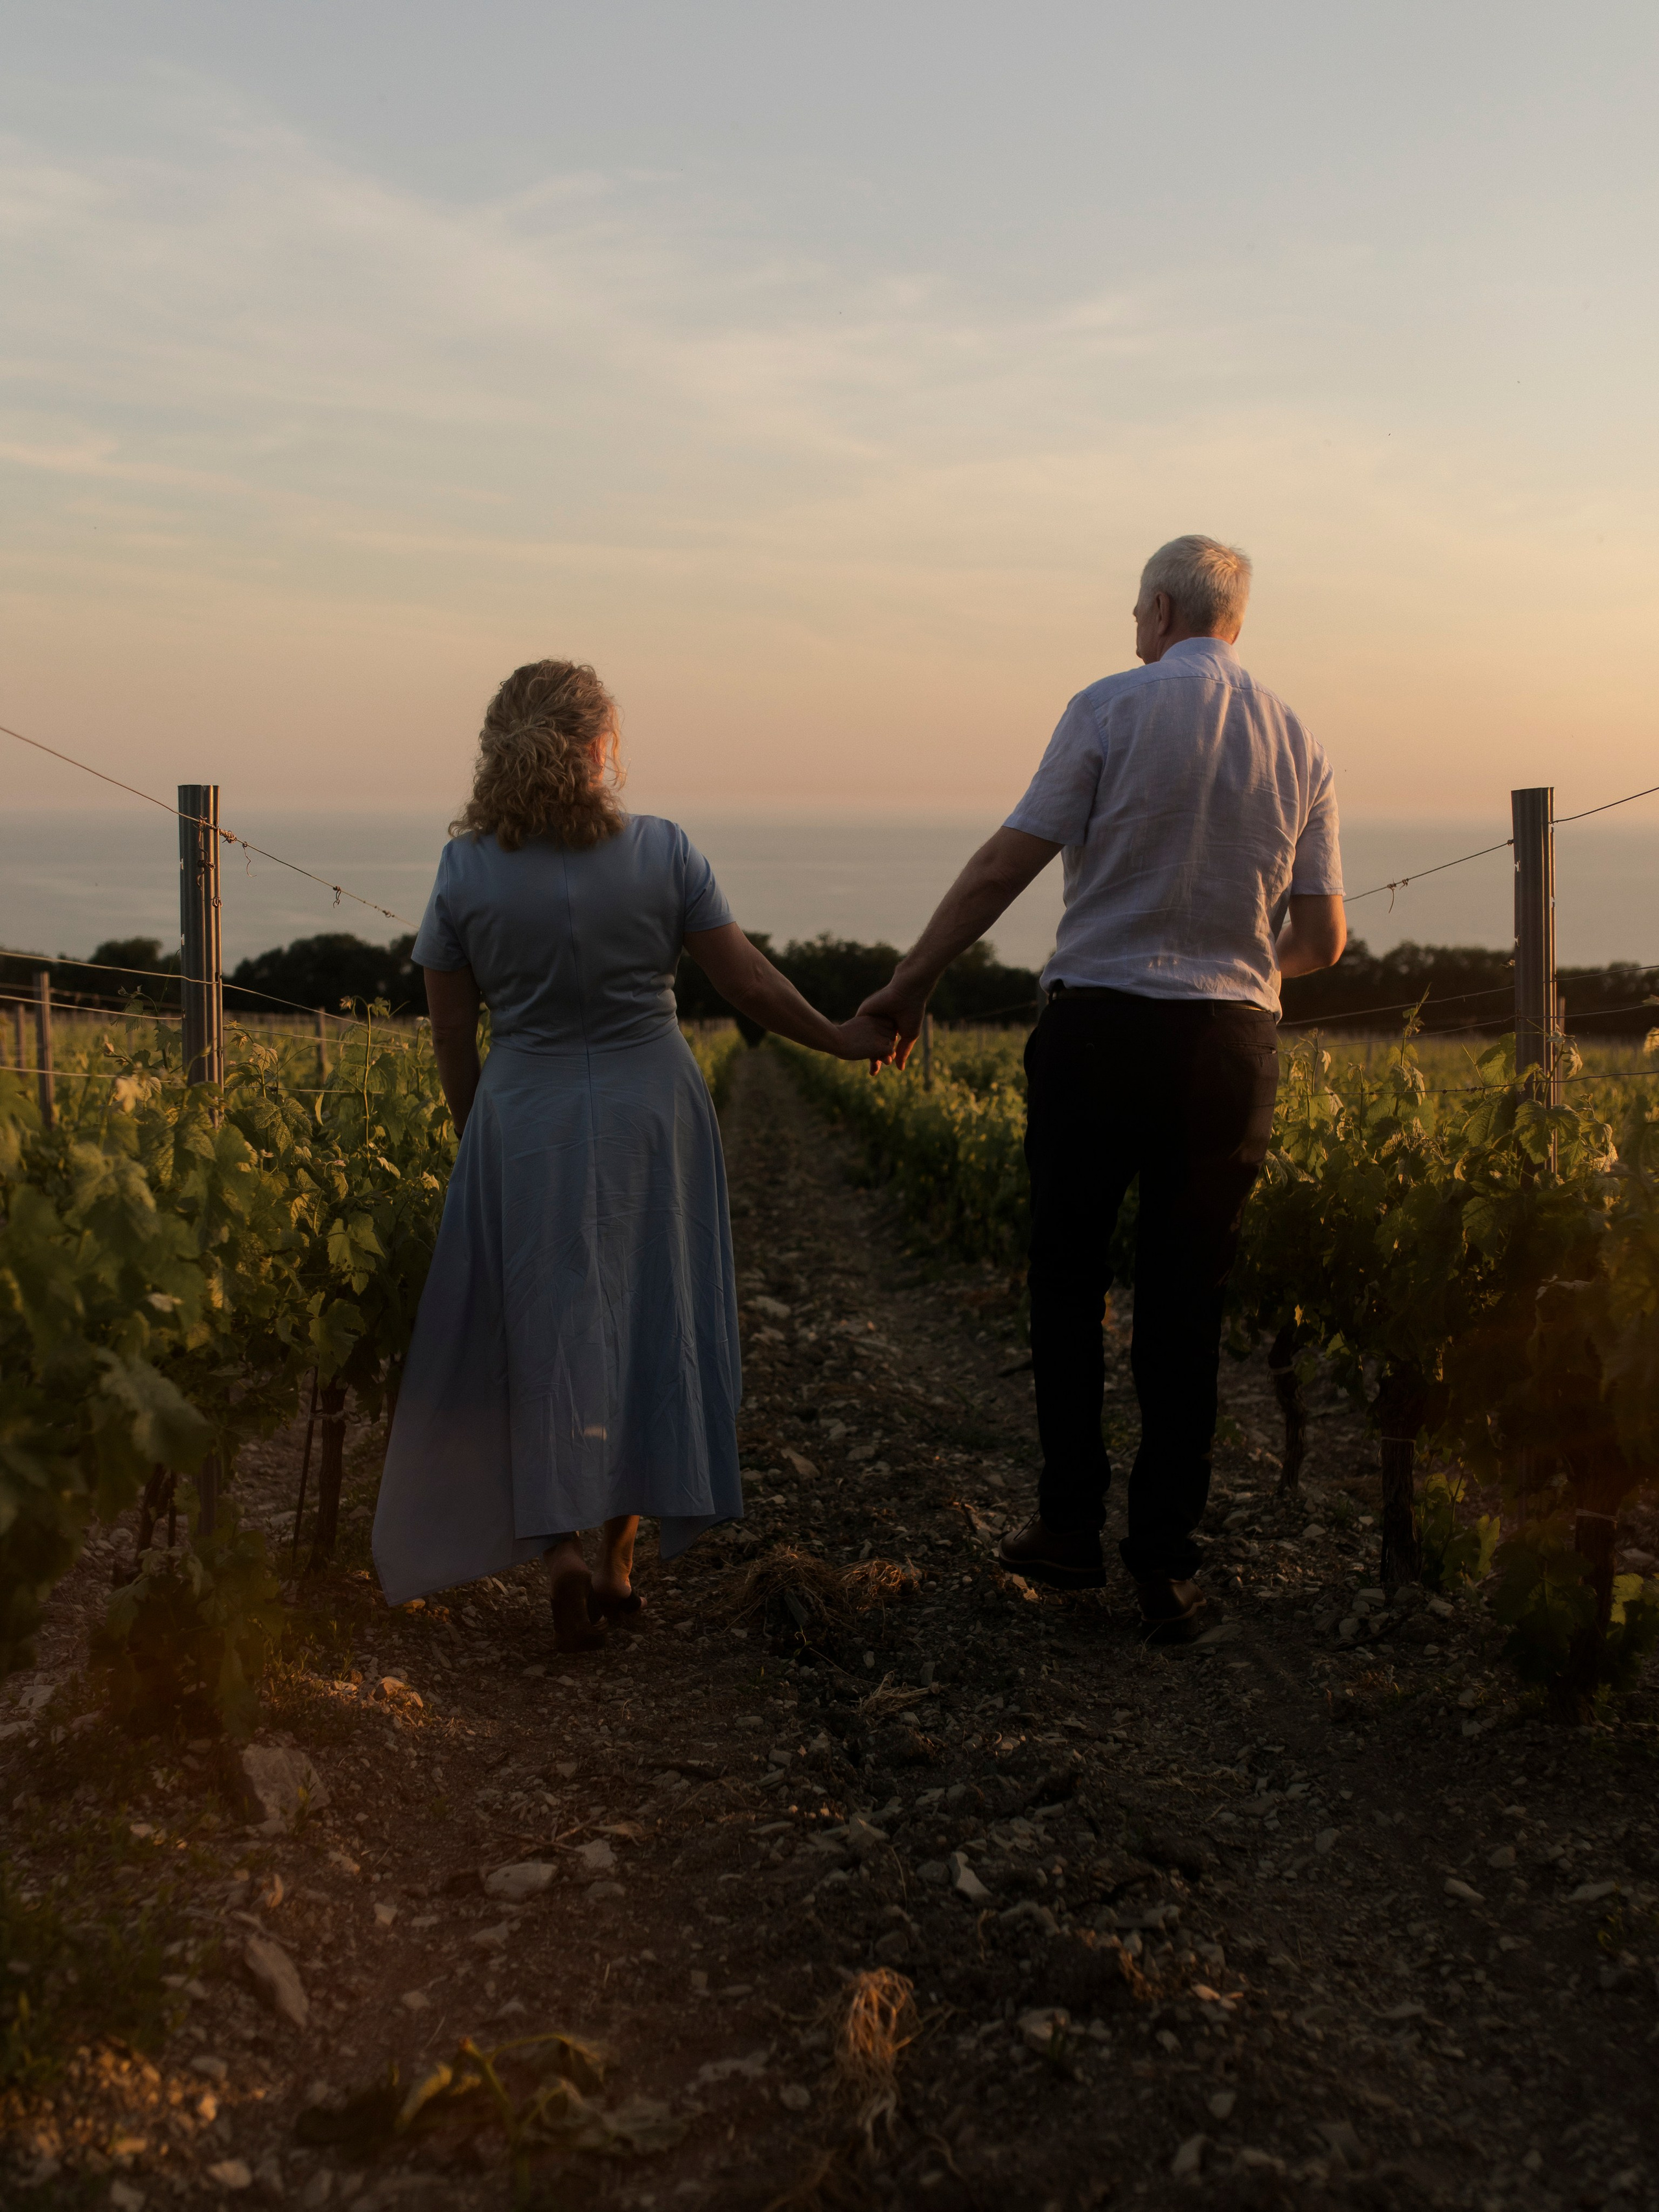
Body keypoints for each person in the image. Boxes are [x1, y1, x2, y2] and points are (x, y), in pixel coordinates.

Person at [857, 537, 1346, 1640]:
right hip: (1230, 1045)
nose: (1133, 629)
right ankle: (1166, 1566)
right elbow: (1322, 937)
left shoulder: (1108, 708)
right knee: (1188, 1302)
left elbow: (1004, 864)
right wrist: (1238, 968)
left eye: (1135, 612)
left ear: (1161, 609)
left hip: (1100, 1029)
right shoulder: (1301, 739)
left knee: (1069, 1279)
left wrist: (911, 982)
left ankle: (1069, 1526)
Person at [373, 659, 895, 1650]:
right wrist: (840, 1035)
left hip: (525, 1111)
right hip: (653, 1111)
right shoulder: (663, 849)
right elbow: (747, 981)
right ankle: (618, 1562)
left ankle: (560, 1548)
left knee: (542, 1328)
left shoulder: (465, 869)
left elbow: (450, 1034)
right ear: (601, 746)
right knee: (648, 1317)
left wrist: (481, 1133)